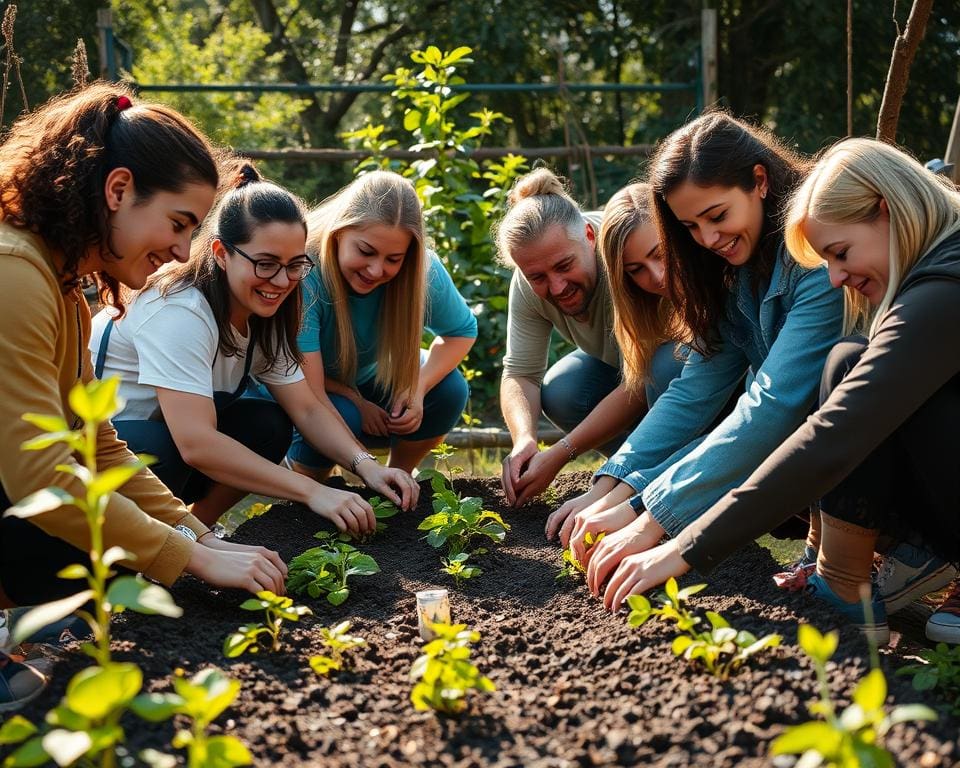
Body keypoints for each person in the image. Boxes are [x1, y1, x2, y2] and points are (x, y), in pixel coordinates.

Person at [603, 138, 960, 643]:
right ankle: (843, 579)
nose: (835, 277)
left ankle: (898, 565)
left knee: (854, 392)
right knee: (845, 363)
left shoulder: (947, 285)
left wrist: (684, 546)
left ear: (885, 211)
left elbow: (837, 434)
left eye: (839, 253)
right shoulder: (927, 269)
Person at [0, 84, 288, 707]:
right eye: (179, 224)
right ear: (118, 190)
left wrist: (197, 535)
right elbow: (37, 475)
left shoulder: (60, 284)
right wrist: (188, 557)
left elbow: (95, 441)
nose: (183, 252)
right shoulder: (15, 274)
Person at [546, 112, 845, 599]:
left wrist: (651, 518)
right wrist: (616, 487)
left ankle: (898, 552)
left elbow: (772, 405)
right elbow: (694, 392)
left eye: (717, 216)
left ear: (760, 181)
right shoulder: (732, 269)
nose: (707, 239)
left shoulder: (814, 256)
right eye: (689, 226)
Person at [92, 162, 419, 531]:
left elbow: (308, 407)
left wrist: (367, 467)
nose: (281, 281)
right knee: (158, 449)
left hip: (167, 442)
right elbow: (196, 443)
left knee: (267, 424)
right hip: (98, 452)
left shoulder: (268, 315)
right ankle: (158, 546)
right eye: (265, 264)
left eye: (295, 265)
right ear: (220, 253)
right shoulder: (179, 309)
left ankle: (196, 529)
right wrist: (314, 491)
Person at [284, 171, 477, 477]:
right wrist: (357, 406)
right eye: (365, 251)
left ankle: (397, 481)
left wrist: (417, 386)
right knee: (344, 415)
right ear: (338, 234)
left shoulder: (423, 273)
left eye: (393, 259)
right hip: (299, 391)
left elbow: (461, 332)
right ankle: (309, 491)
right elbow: (311, 393)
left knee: (450, 389)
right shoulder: (306, 274)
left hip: (363, 378)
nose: (376, 270)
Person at [497, 169, 665, 508]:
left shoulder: (628, 257)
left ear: (590, 235)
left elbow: (643, 377)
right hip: (623, 367)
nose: (556, 286)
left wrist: (563, 451)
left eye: (564, 266)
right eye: (538, 277)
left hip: (673, 369)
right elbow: (519, 373)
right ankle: (642, 477)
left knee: (662, 369)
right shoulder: (529, 279)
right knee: (564, 391)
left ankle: (653, 474)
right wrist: (524, 439)